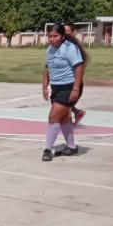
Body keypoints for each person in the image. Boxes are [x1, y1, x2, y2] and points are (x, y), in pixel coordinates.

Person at [42, 22, 86, 161]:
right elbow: (47, 69)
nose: (52, 39)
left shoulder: (70, 48)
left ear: (62, 36)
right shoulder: (49, 50)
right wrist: (45, 86)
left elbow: (79, 67)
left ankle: (48, 149)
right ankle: (72, 147)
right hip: (56, 87)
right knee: (63, 118)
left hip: (69, 86)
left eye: (55, 36)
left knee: (53, 117)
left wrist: (76, 88)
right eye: (50, 36)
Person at [63, 22, 86, 126]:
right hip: (63, 82)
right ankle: (77, 113)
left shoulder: (75, 49)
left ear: (73, 33)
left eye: (67, 32)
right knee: (60, 103)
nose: (65, 35)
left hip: (72, 83)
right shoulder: (61, 46)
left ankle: (68, 132)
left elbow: (79, 68)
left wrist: (75, 87)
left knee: (64, 107)